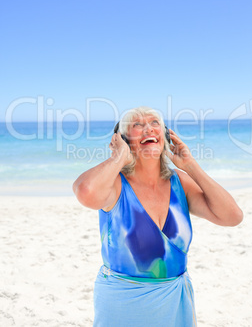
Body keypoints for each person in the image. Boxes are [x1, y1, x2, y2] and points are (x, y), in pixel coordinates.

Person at [72, 106, 243, 327]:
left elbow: (232, 216)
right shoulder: (115, 184)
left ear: (165, 135)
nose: (148, 129)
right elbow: (85, 192)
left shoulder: (179, 182)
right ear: (122, 139)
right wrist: (118, 158)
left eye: (155, 123)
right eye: (137, 125)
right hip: (123, 304)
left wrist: (191, 166)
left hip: (173, 303)